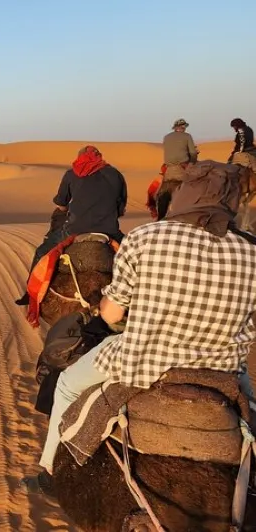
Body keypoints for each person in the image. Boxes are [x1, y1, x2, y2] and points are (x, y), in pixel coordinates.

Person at [24, 160, 256, 495]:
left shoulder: (147, 237)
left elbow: (113, 311)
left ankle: (50, 473)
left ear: (184, 195)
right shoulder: (251, 249)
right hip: (224, 367)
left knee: (68, 386)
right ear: (232, 201)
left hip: (140, 362)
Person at [15, 145, 127, 305]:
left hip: (75, 229)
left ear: (79, 158)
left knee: (41, 252)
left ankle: (30, 294)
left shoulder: (71, 174)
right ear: (100, 157)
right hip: (108, 230)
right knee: (134, 257)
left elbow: (61, 205)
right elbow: (120, 210)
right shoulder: (116, 175)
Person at [154, 118, 198, 220]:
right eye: (184, 127)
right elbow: (193, 153)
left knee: (161, 192)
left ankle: (160, 217)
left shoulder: (166, 137)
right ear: (183, 127)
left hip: (169, 170)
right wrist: (192, 162)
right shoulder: (187, 136)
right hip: (183, 169)